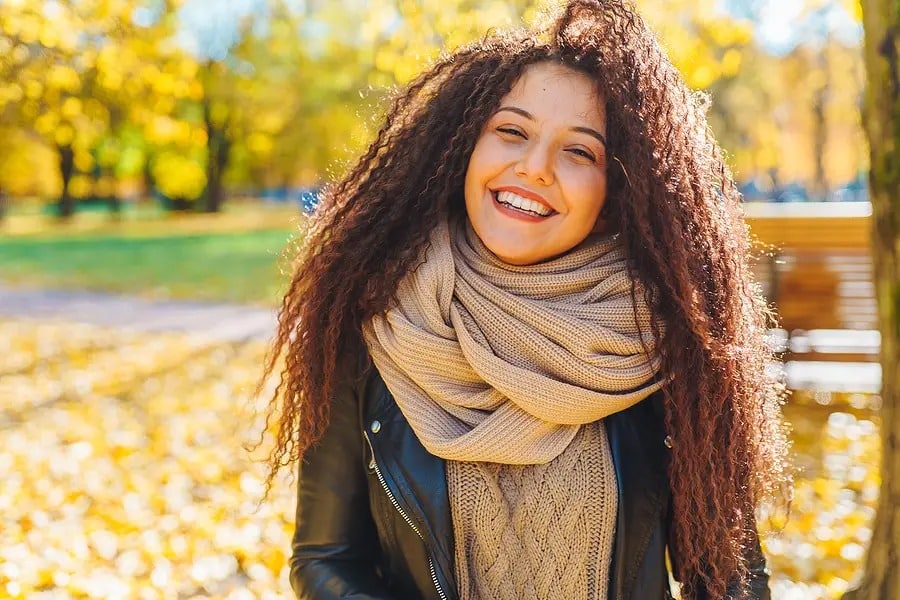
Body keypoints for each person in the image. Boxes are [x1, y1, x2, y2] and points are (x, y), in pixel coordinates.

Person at [260, 1, 791, 598]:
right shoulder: (369, 319)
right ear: (462, 148)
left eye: (579, 151)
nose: (534, 167)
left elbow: (728, 577)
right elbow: (325, 561)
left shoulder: (671, 340)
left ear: (617, 190)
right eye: (511, 131)